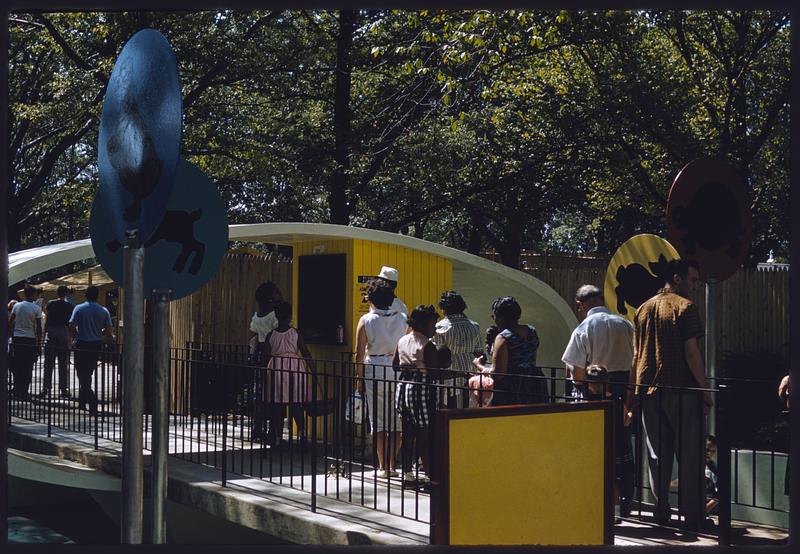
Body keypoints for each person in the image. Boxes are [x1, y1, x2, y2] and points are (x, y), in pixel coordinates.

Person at [628, 258, 712, 531]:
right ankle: (693, 516)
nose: (695, 286)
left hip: (649, 390)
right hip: (683, 389)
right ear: (677, 279)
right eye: (693, 280)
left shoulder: (642, 309)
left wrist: (633, 394)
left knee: (656, 454)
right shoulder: (685, 307)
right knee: (690, 455)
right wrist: (704, 389)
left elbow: (636, 355)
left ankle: (660, 509)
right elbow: (691, 353)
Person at [561, 284, 635, 519]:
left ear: (580, 304)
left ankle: (598, 504)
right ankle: (623, 503)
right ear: (602, 300)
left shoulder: (584, 328)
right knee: (621, 450)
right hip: (622, 396)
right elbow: (636, 363)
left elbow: (577, 373)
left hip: (594, 397)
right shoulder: (626, 325)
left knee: (594, 453)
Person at [355, 278, 408, 478]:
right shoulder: (403, 318)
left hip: (374, 368)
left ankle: (382, 466)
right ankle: (393, 464)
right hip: (397, 369)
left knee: (378, 420)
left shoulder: (366, 320)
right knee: (396, 420)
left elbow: (359, 354)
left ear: (371, 299)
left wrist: (358, 379)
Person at [395, 305, 448, 484]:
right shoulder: (428, 345)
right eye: (433, 324)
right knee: (426, 433)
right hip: (421, 389)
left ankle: (407, 472)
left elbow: (395, 365)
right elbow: (434, 372)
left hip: (403, 387)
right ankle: (429, 473)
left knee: (408, 432)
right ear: (424, 325)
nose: (434, 328)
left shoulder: (402, 340)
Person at [471, 296, 547, 405]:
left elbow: (498, 373)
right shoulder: (531, 331)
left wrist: (479, 366)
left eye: (494, 316)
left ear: (500, 317)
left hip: (512, 387)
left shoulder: (503, 338)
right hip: (534, 383)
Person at [262, 301, 315, 447]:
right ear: (290, 316)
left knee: (278, 405)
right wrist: (313, 369)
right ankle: (302, 434)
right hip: (294, 368)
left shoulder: (270, 335)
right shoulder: (295, 333)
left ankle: (278, 438)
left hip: (276, 369)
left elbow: (265, 355)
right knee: (296, 403)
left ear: (277, 316)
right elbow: (305, 352)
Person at [433, 291, 483, 408]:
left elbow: (438, 354)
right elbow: (479, 353)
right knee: (468, 406)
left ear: (443, 308)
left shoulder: (440, 328)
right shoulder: (474, 326)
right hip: (471, 371)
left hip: (450, 373)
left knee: (450, 407)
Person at [69, 286, 114, 413]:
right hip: (96, 344)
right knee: (88, 371)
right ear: (97, 296)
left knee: (81, 372)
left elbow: (72, 325)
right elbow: (109, 330)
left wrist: (74, 337)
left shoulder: (79, 308)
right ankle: (82, 401)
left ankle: (90, 398)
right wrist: (105, 338)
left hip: (82, 343)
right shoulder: (103, 311)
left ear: (85, 295)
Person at [8, 286, 43, 400]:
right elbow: (38, 327)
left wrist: (12, 333)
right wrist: (39, 343)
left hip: (17, 338)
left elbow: (11, 321)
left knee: (18, 365)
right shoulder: (36, 308)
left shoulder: (17, 305)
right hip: (29, 339)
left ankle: (17, 390)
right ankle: (24, 391)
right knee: (28, 366)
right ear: (33, 295)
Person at [40, 285, 74, 398]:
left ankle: (46, 388)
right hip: (63, 332)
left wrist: (44, 334)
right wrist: (70, 338)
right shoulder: (69, 306)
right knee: (63, 363)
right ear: (67, 293)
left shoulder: (50, 303)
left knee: (49, 363)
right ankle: (63, 389)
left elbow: (48, 319)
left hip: (52, 331)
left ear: (57, 293)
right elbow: (70, 323)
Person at [249, 282, 282, 363]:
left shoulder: (255, 318)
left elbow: (253, 341)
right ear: (269, 298)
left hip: (260, 354)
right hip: (274, 353)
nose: (279, 293)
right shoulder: (275, 316)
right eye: (276, 292)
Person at [704, 435, 719, 515]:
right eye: (707, 450)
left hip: (710, 510)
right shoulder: (695, 465)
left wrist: (706, 509)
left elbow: (719, 495)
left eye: (713, 451)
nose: (709, 453)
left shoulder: (714, 470)